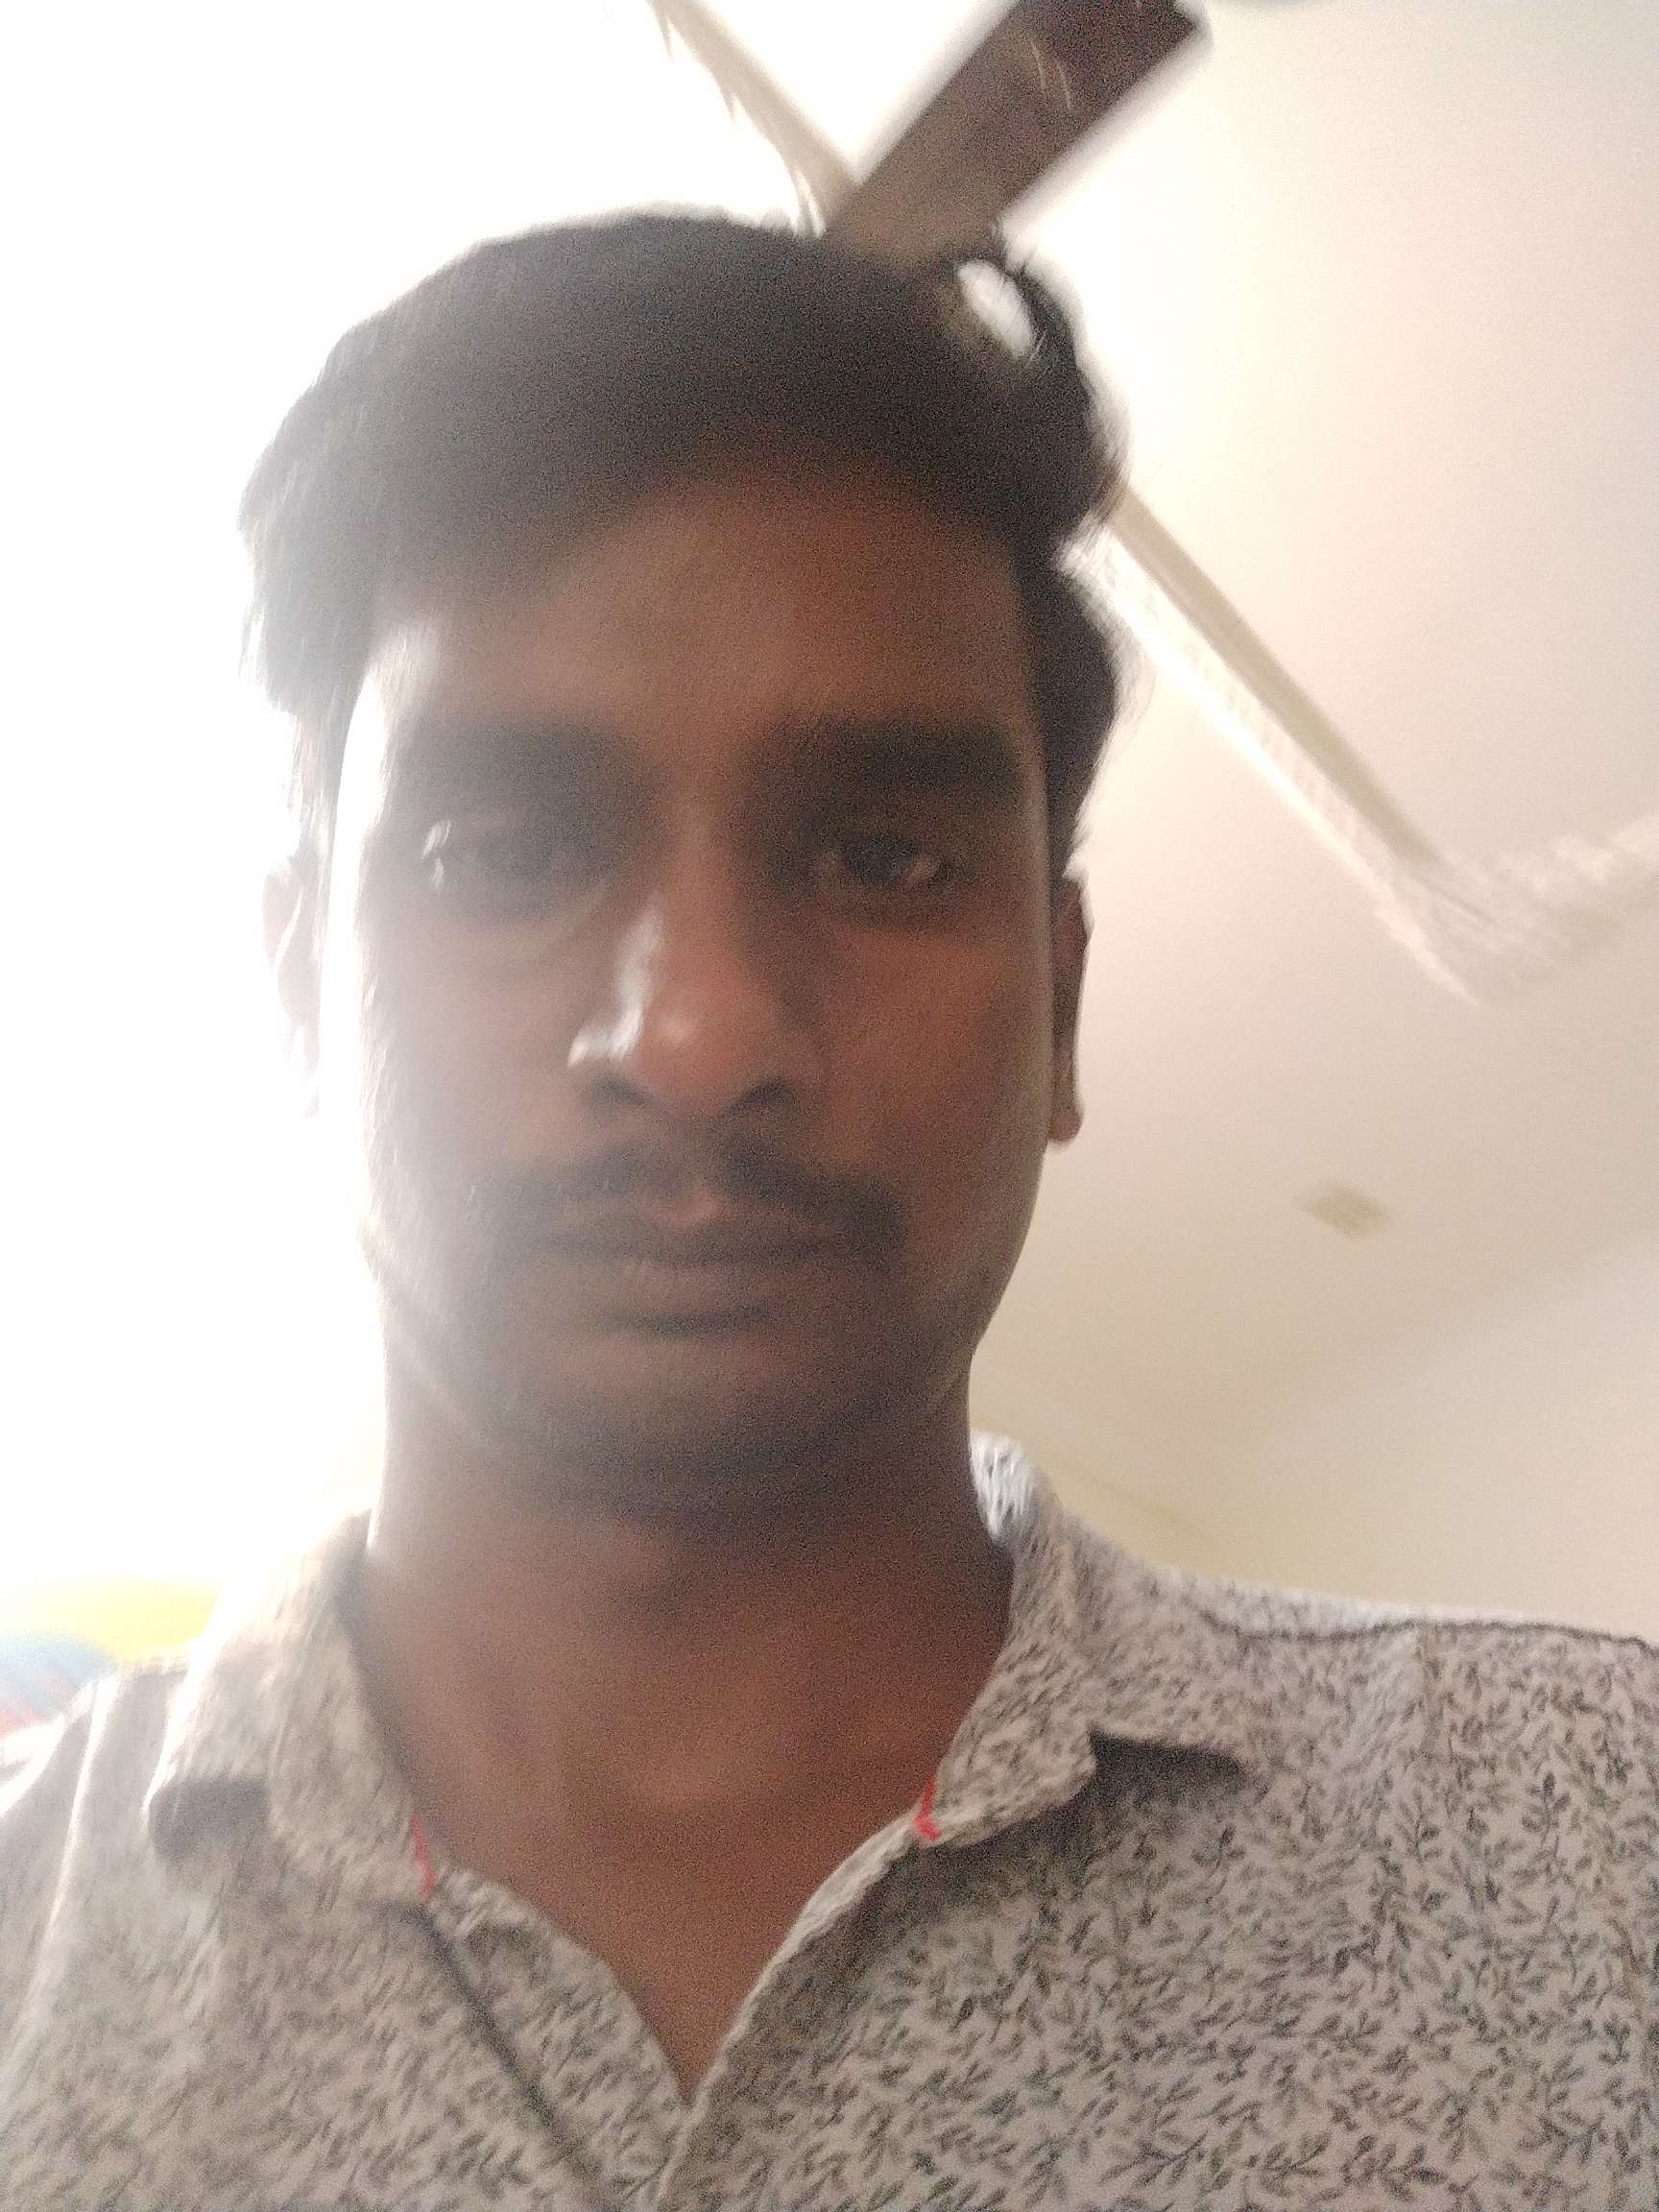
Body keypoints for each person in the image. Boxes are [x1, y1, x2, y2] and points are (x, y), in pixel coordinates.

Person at [1, 212, 1654, 2212]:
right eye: (501, 848)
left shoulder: (1601, 1847)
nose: (698, 1034)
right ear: (297, 990)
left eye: (883, 856)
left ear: (1060, 1006)